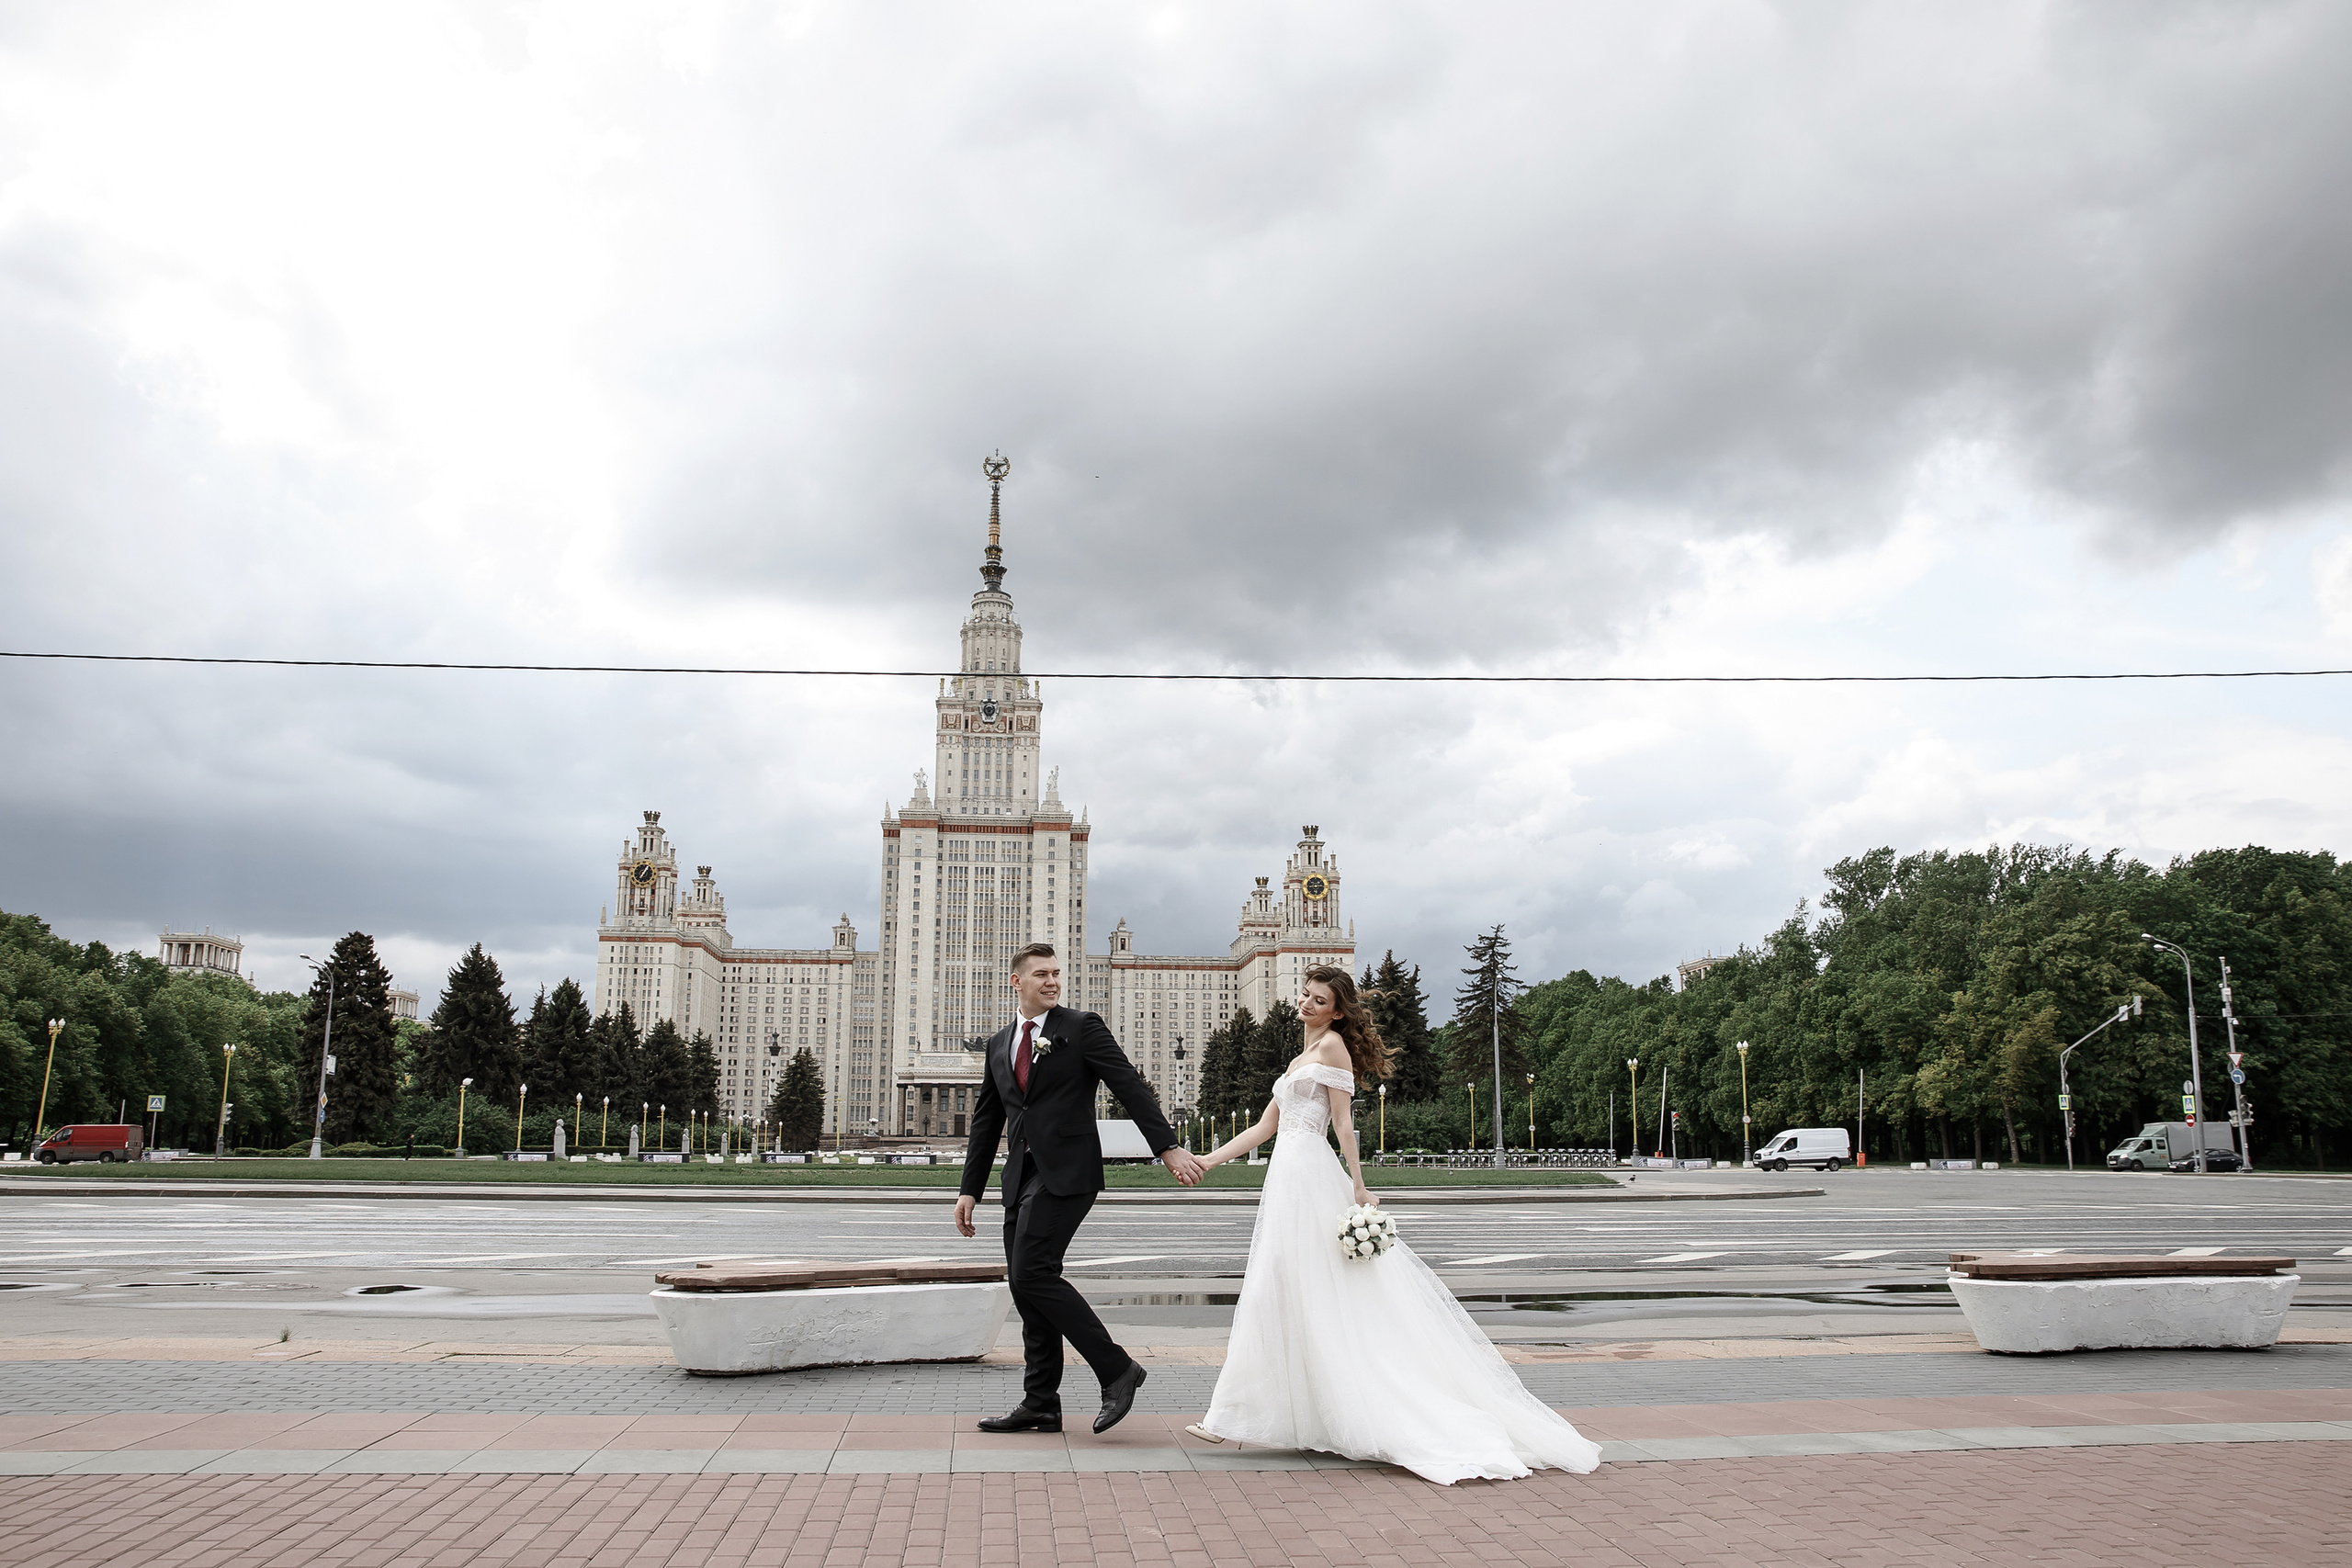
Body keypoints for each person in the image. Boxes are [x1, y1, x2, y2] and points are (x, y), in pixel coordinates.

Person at [1182, 965, 1601, 1484]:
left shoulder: (1333, 1048)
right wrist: (1208, 1160)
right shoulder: (1297, 1060)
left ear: (1337, 1011)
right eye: (1305, 996)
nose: (1307, 1005)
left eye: (1319, 1000)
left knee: (1300, 1287)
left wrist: (1358, 1185)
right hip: (1284, 1179)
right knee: (1281, 1287)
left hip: (1311, 1176)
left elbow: (1342, 1124)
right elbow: (1264, 1127)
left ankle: (1235, 1414)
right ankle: (1250, 1413)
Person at [956, 942, 1207, 1435]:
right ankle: (1041, 1402)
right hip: (1019, 1176)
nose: (1052, 982)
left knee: (1032, 1273)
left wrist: (1167, 1147)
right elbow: (987, 1121)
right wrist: (971, 1189)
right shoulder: (1000, 1042)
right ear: (1017, 982)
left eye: (1056, 974)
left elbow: (1128, 1085)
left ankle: (1116, 1369)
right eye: (1041, 974)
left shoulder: (1081, 1027)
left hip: (1068, 1172)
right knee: (1026, 1286)